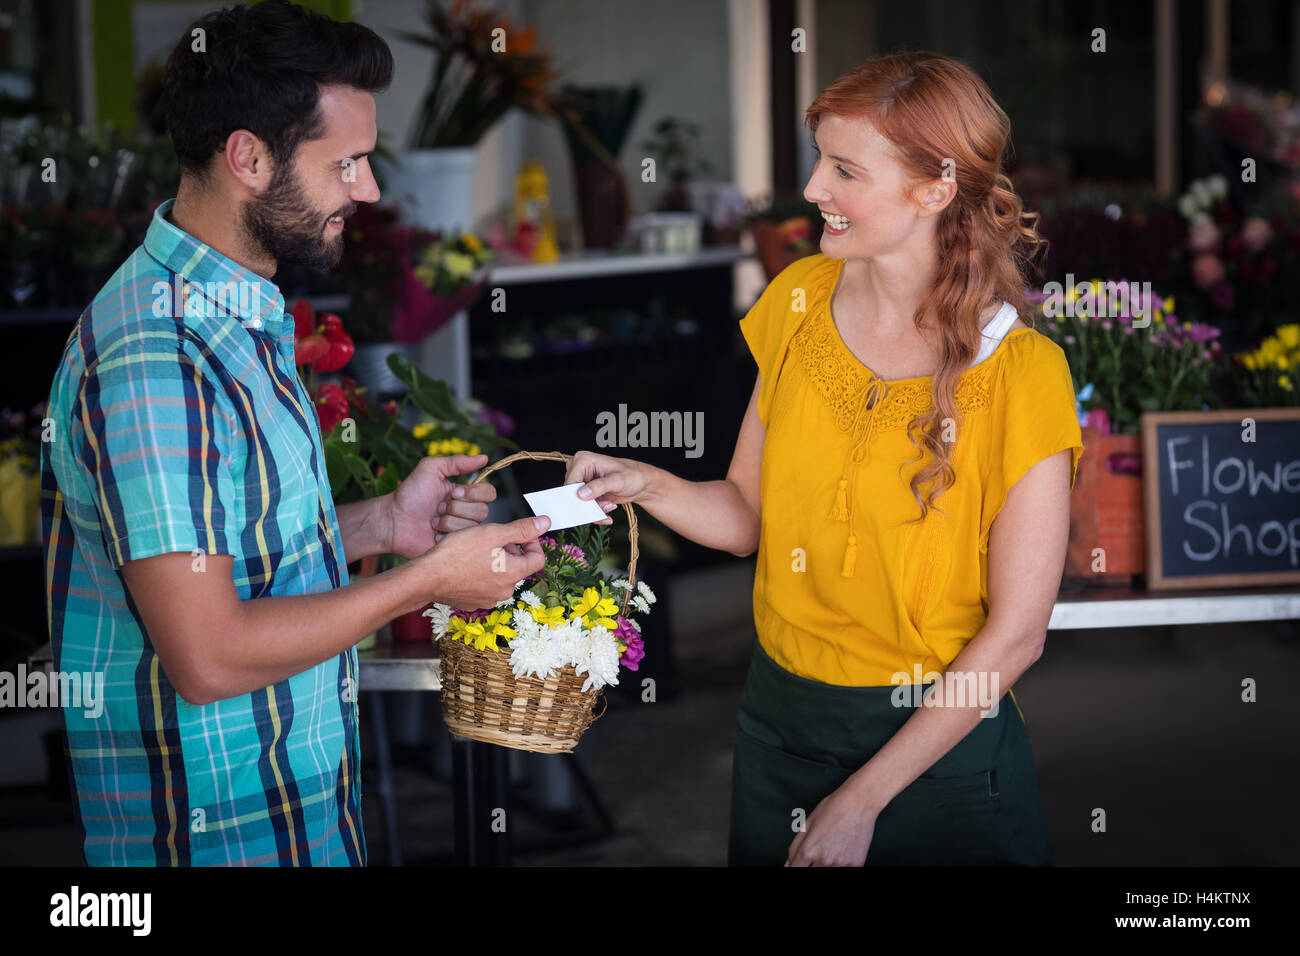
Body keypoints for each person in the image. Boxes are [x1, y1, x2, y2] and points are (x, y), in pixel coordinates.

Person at [39, 0, 547, 867]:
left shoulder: (232, 317)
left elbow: (219, 559)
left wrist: (382, 527)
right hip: (212, 838)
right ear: (249, 157)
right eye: (346, 163)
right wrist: (424, 580)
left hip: (290, 820)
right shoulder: (160, 355)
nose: (370, 190)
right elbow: (210, 656)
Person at [565, 51, 1084, 867]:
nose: (812, 189)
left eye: (844, 169)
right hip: (781, 725)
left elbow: (1016, 638)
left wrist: (861, 801)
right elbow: (745, 518)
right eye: (819, 160)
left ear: (935, 190)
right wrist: (648, 483)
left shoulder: (1025, 378)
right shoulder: (797, 302)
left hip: (941, 757)